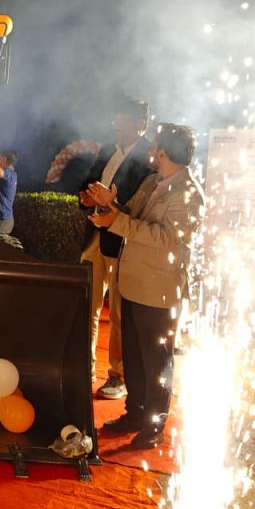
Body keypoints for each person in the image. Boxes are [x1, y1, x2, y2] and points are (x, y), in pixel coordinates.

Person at [86, 123, 205, 449]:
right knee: (135, 356)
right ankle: (135, 413)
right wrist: (109, 205)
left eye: (154, 146)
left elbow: (167, 239)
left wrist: (117, 221)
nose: (150, 150)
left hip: (160, 290)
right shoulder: (153, 181)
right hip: (134, 284)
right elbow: (132, 215)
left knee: (156, 362)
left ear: (163, 152)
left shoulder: (189, 194)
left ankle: (154, 425)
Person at [78, 98, 153, 395]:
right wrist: (86, 197)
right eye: (115, 122)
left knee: (120, 313)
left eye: (122, 123)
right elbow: (88, 181)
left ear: (141, 124)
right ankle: (83, 367)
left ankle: (118, 376)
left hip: (124, 241)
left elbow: (141, 207)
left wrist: (111, 203)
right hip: (95, 235)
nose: (117, 128)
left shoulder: (149, 158)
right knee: (87, 304)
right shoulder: (109, 149)